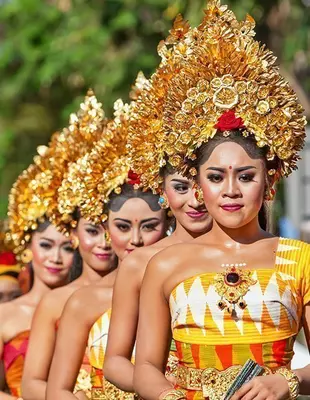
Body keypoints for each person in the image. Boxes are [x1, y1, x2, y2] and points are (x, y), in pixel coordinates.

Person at [133, 2, 309, 400]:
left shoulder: (299, 259)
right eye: (216, 177)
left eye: (246, 177)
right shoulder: (165, 264)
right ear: (197, 185)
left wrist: (286, 381)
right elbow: (145, 366)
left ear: (270, 183)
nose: (230, 190)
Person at [104, 18, 213, 390]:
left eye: (205, 183)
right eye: (181, 187)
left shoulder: (261, 252)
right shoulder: (141, 264)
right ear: (162, 191)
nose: (195, 200)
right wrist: (165, 390)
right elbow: (116, 362)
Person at [46, 93, 168, 399]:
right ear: (105, 229)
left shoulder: (187, 287)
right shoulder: (85, 302)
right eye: (123, 227)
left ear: (168, 224)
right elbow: (56, 391)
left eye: (149, 226)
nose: (135, 240)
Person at [21, 91, 117, 400]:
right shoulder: (55, 303)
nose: (104, 242)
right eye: (92, 230)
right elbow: (32, 383)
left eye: (112, 229)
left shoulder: (146, 291)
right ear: (72, 233)